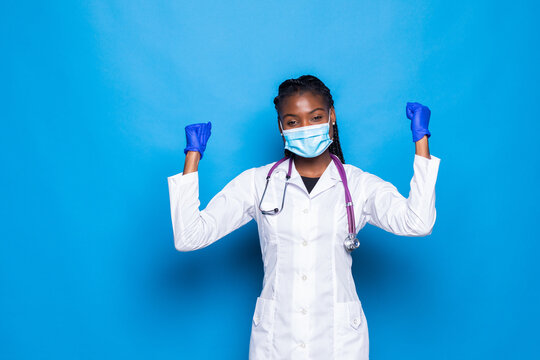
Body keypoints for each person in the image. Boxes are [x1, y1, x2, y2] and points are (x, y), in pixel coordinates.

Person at [167, 75, 441, 360]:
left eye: (315, 117)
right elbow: (190, 237)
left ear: (331, 117)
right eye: (293, 122)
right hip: (277, 339)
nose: (305, 128)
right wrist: (193, 156)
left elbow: (417, 222)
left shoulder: (358, 185)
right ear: (281, 127)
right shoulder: (257, 182)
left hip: (339, 340)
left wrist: (421, 142)